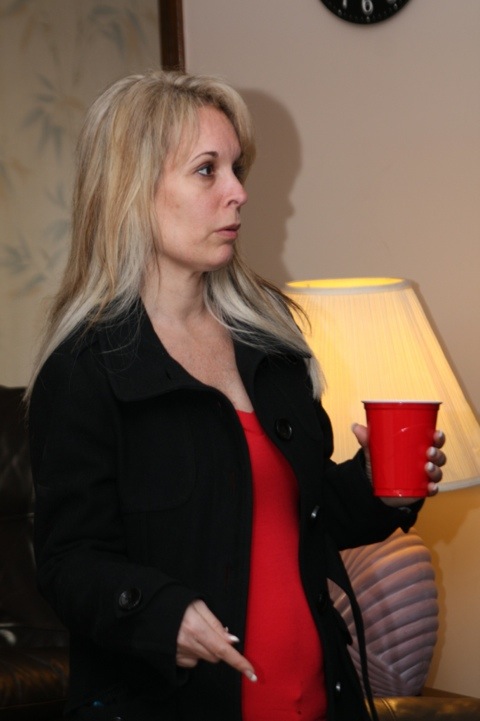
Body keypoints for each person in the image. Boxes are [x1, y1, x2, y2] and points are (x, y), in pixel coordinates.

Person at [27, 69, 446, 721]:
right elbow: (68, 562)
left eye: (236, 167)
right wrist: (158, 611)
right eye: (207, 170)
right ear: (132, 190)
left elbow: (305, 520)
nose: (239, 192)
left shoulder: (269, 343)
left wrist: (378, 482)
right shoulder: (86, 368)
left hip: (316, 700)